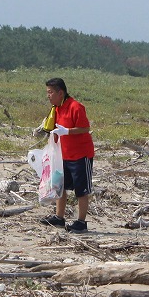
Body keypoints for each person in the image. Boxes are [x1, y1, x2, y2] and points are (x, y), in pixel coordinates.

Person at [39, 78, 94, 233]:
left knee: (81, 190)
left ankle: (81, 222)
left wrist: (67, 131)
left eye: (51, 92)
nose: (48, 96)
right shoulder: (57, 108)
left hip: (81, 154)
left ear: (60, 93)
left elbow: (85, 128)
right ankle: (59, 217)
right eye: (47, 92)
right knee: (61, 185)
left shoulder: (76, 107)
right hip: (63, 155)